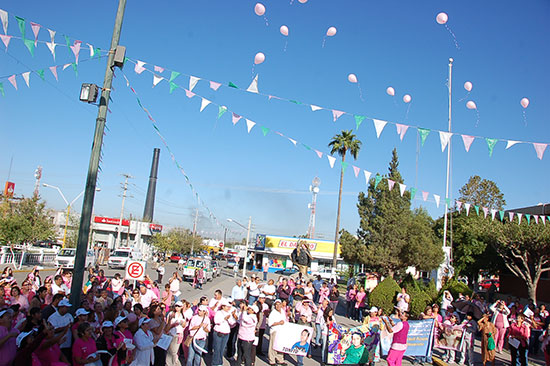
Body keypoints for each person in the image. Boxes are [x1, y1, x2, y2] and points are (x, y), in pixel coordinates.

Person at [212, 298, 234, 366]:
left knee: (222, 349)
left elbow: (232, 323)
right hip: (219, 332)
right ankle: (215, 363)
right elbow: (216, 321)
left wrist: (231, 318)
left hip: (226, 333)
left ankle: (220, 362)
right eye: (227, 307)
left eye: (229, 307)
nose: (228, 308)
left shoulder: (229, 313)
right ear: (223, 306)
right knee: (217, 349)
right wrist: (224, 319)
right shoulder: (219, 313)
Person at [268, 299, 287, 366]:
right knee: (272, 346)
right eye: (276, 304)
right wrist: (279, 323)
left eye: (279, 304)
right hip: (275, 331)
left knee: (280, 346)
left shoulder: (282, 311)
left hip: (281, 331)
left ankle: (280, 359)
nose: (278, 306)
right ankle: (272, 360)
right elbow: (270, 324)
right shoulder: (273, 313)